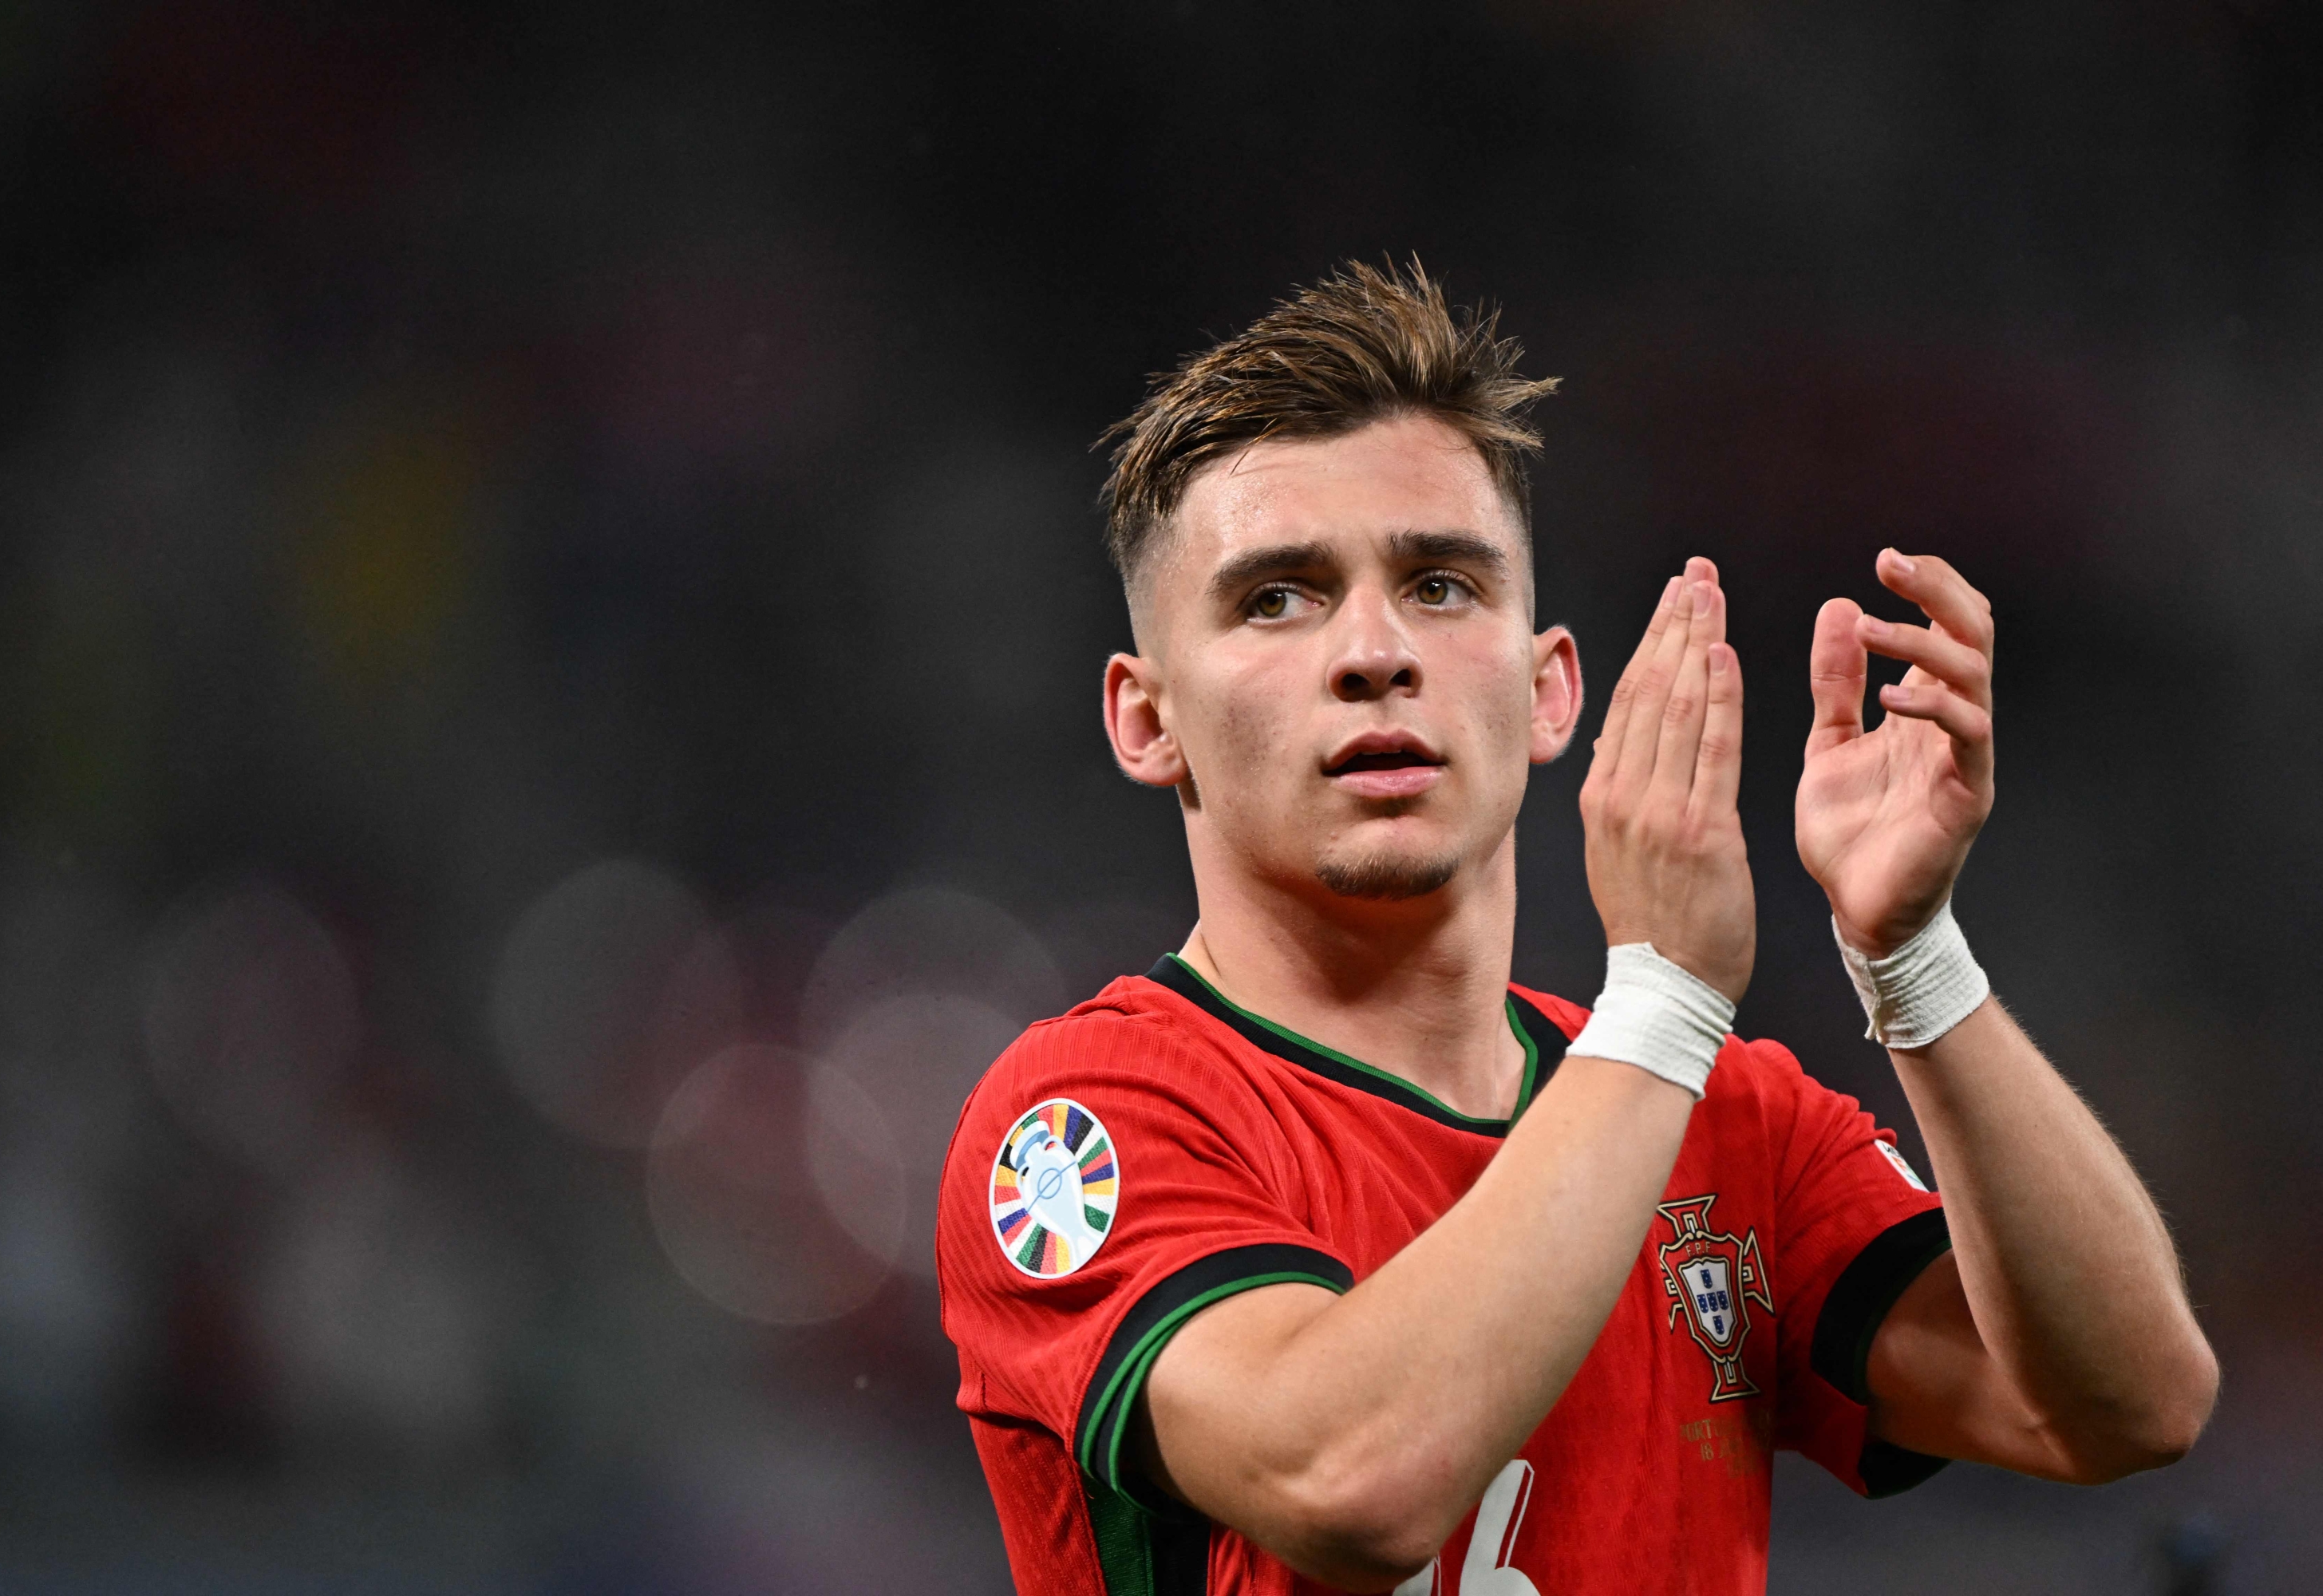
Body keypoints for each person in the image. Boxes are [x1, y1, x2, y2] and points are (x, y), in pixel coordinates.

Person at [933, 260, 2215, 1594]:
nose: (1375, 650)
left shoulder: (1732, 1120)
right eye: (1279, 596)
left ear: (1550, 694)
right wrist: (1660, 1000)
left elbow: (2127, 1408)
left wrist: (1913, 958)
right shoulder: (1088, 1120)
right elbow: (1352, 1485)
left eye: (1440, 585)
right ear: (1150, 721)